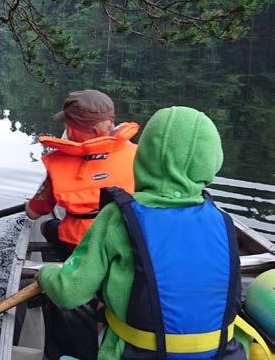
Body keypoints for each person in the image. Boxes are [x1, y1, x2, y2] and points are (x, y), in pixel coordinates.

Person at [38, 106, 246, 359]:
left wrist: (46, 274)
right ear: (213, 160)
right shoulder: (222, 221)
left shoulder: (117, 216)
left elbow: (68, 293)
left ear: (144, 155)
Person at [25, 89, 139, 258]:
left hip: (81, 246)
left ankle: (66, 265)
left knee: (47, 226)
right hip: (126, 242)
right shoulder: (138, 155)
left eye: (68, 124)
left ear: (74, 130)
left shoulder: (59, 166)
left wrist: (29, 206)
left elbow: (33, 213)